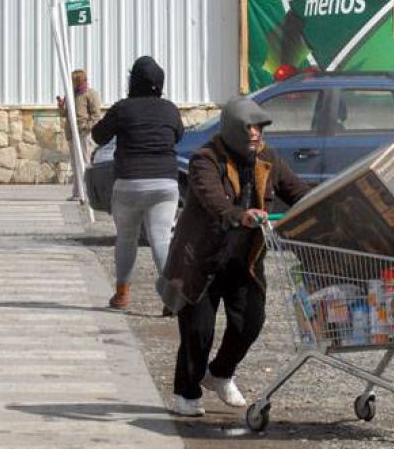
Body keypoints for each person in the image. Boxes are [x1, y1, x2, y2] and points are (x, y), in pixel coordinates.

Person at [157, 97, 311, 416]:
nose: (255, 133)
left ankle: (221, 374)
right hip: (203, 260)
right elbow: (212, 198)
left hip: (245, 260)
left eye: (259, 127)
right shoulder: (206, 159)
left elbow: (296, 191)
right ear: (232, 128)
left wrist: (326, 200)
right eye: (248, 127)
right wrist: (239, 214)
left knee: (250, 323)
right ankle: (186, 393)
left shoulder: (269, 158)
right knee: (198, 331)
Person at [91, 56, 184, 310]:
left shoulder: (123, 108)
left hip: (129, 182)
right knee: (162, 239)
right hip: (165, 183)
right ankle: (172, 298)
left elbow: (98, 135)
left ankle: (122, 294)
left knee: (126, 238)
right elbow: (178, 135)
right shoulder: (170, 109)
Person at [58, 69, 102, 200]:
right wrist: (61, 107)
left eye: (75, 81)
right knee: (75, 163)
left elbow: (96, 115)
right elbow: (65, 114)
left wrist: (86, 127)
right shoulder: (70, 94)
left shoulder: (91, 94)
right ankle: (77, 192)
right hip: (72, 132)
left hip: (83, 133)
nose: (73, 83)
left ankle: (89, 192)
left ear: (81, 81)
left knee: (86, 162)